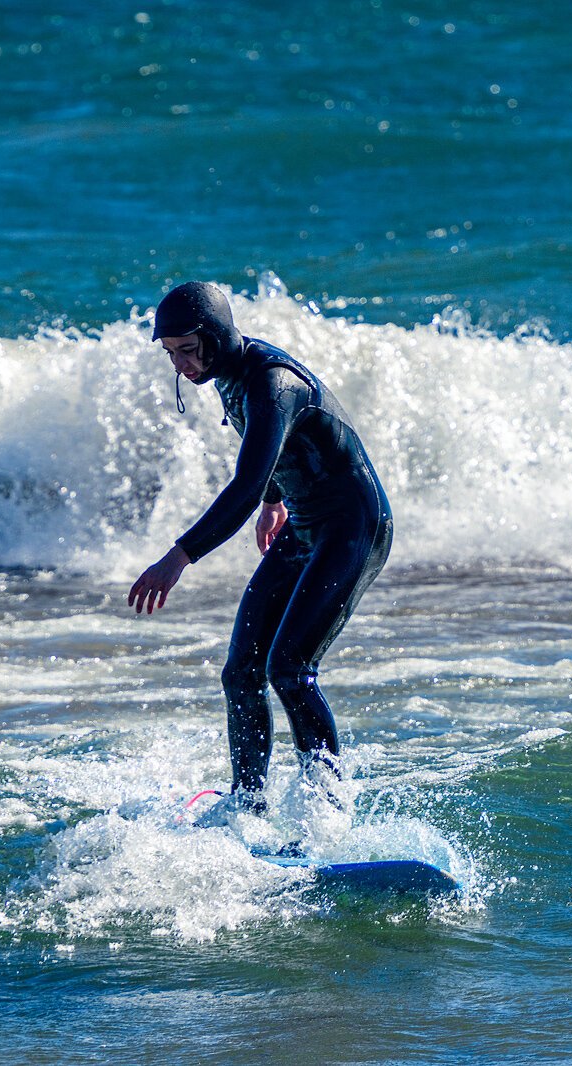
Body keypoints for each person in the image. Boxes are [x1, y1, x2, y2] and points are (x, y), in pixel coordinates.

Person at [128, 282, 393, 827]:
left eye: (187, 349)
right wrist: (277, 501)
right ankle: (248, 804)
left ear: (217, 337)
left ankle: (327, 813)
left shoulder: (272, 382)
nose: (180, 364)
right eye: (170, 353)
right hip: (303, 523)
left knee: (291, 668)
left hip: (353, 525)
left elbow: (245, 484)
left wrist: (178, 557)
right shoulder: (229, 375)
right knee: (240, 672)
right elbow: (271, 455)